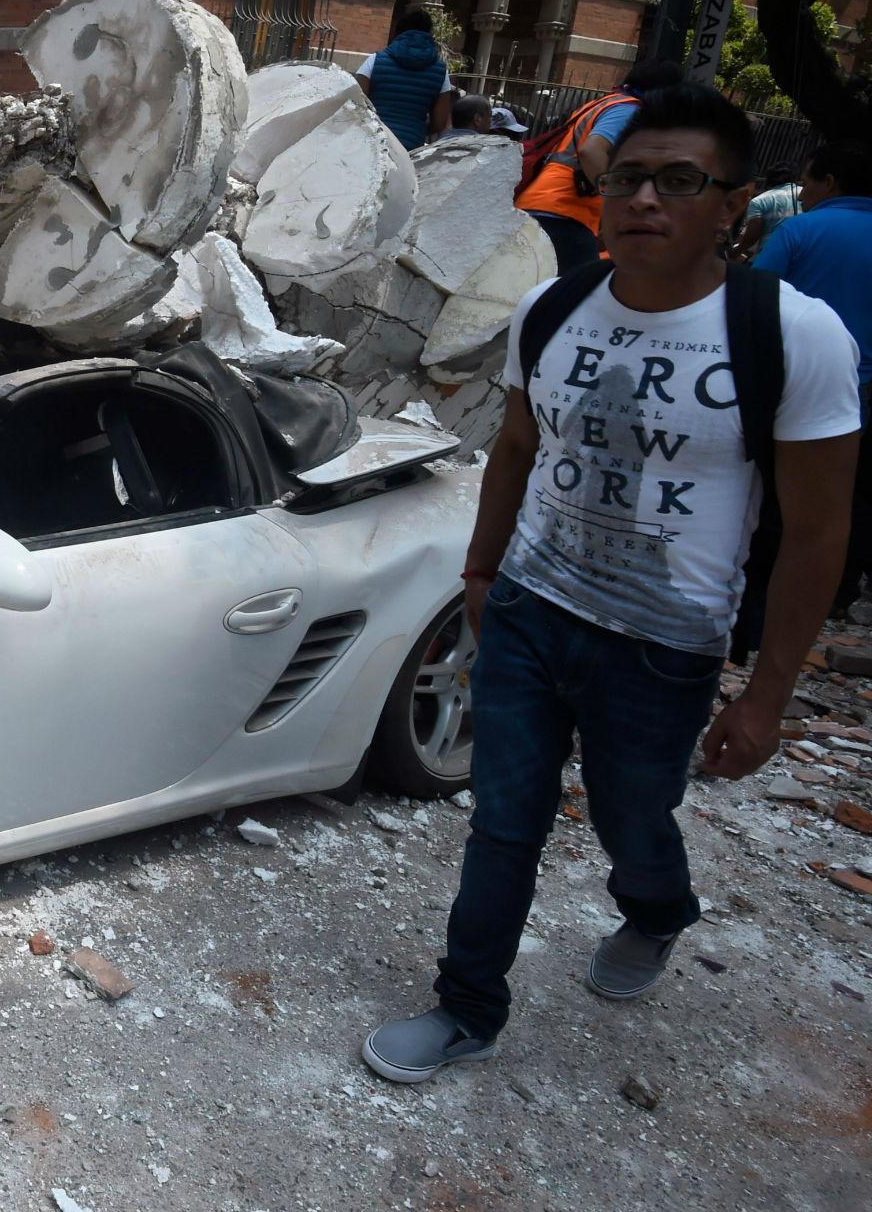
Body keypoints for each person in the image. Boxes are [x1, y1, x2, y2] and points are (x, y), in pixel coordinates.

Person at [362, 84, 862, 1086]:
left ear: (734, 204)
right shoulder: (551, 305)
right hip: (528, 614)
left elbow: (815, 533)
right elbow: (512, 444)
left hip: (661, 645)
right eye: (628, 177)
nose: (642, 200)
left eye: (678, 181)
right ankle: (466, 1007)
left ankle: (656, 907)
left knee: (635, 821)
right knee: (504, 819)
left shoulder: (791, 335)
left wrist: (764, 696)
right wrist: (478, 569)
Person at [753, 139, 872, 612]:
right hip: (861, 388)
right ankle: (840, 590)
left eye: (808, 180)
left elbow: (757, 295)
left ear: (831, 182)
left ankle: (765, 585)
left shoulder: (800, 231)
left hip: (789, 382)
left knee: (776, 489)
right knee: (845, 492)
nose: (803, 189)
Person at [514, 59, 683, 273]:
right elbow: (591, 151)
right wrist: (621, 200)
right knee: (577, 294)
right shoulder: (628, 109)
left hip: (542, 205)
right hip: (565, 213)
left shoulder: (604, 103)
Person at [355, 10, 451, 151]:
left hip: (372, 142)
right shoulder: (441, 72)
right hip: (410, 147)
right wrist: (417, 130)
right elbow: (440, 122)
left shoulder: (374, 61)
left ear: (397, 32)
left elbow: (355, 104)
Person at [735, 164, 804, 258]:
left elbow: (752, 236)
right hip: (801, 253)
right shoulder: (806, 194)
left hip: (770, 254)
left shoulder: (759, 201)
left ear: (769, 179)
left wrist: (737, 251)